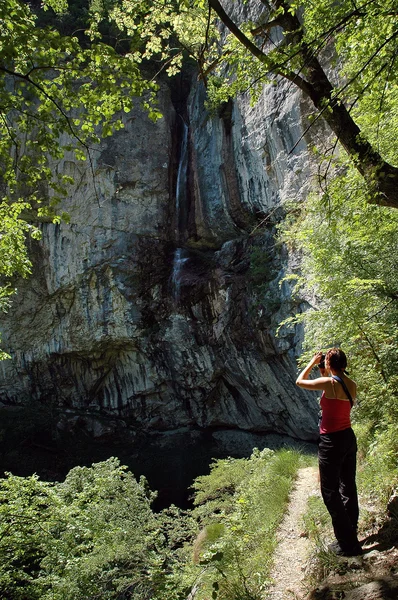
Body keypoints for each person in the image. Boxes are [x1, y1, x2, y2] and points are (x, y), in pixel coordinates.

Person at [296, 348, 362, 556]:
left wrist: (311, 362)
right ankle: (351, 532)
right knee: (348, 486)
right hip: (348, 438)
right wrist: (323, 367)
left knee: (330, 492)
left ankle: (347, 543)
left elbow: (300, 381)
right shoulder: (351, 385)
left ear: (329, 363)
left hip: (331, 441)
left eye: (325, 361)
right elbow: (332, 388)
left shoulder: (330, 383)